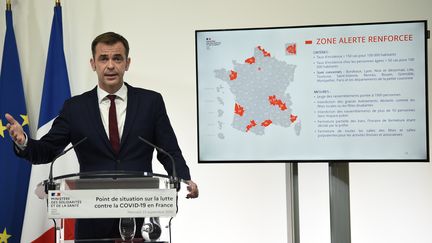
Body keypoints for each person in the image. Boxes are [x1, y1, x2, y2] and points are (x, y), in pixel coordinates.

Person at [5, 32, 198, 240]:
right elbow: (48, 150)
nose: (111, 65)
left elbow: (168, 149)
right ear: (93, 63)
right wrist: (24, 141)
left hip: (140, 219)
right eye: (103, 58)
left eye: (117, 58)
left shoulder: (151, 102)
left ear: (127, 63)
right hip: (92, 223)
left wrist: (184, 178)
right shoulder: (75, 108)